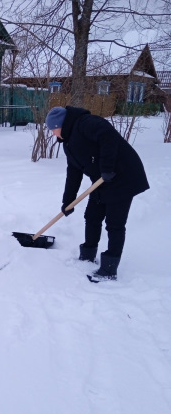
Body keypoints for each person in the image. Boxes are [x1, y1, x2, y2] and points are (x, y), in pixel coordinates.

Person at [45, 105, 149, 282]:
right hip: (102, 179)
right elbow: (73, 172)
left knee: (114, 223)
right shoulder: (69, 143)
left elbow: (108, 136)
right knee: (92, 216)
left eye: (54, 129)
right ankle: (88, 254)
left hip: (123, 176)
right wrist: (68, 201)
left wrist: (107, 168)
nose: (53, 134)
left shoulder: (86, 123)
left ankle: (109, 268)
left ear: (61, 124)